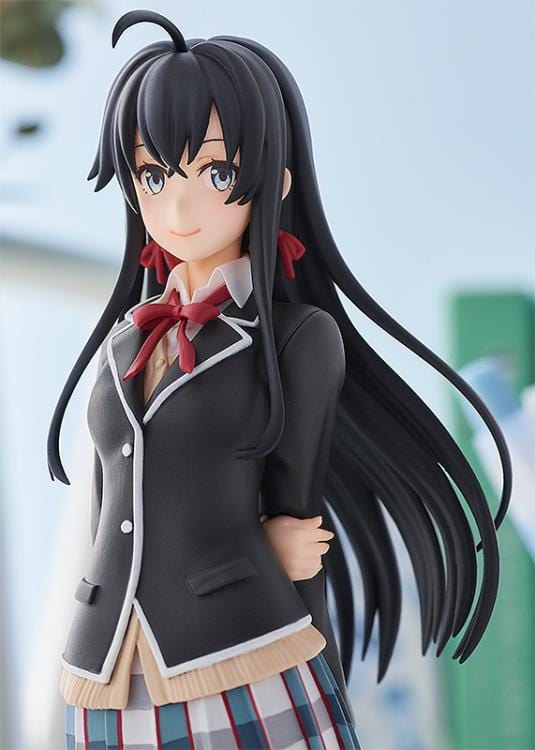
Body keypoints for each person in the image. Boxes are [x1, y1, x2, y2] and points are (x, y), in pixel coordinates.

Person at [48, 9, 511, 749]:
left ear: (274, 179)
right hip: (103, 659)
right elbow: (110, 500)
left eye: (216, 173)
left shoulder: (295, 338)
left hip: (238, 645)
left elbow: (296, 505)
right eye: (153, 175)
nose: (179, 205)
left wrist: (288, 564)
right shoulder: (121, 343)